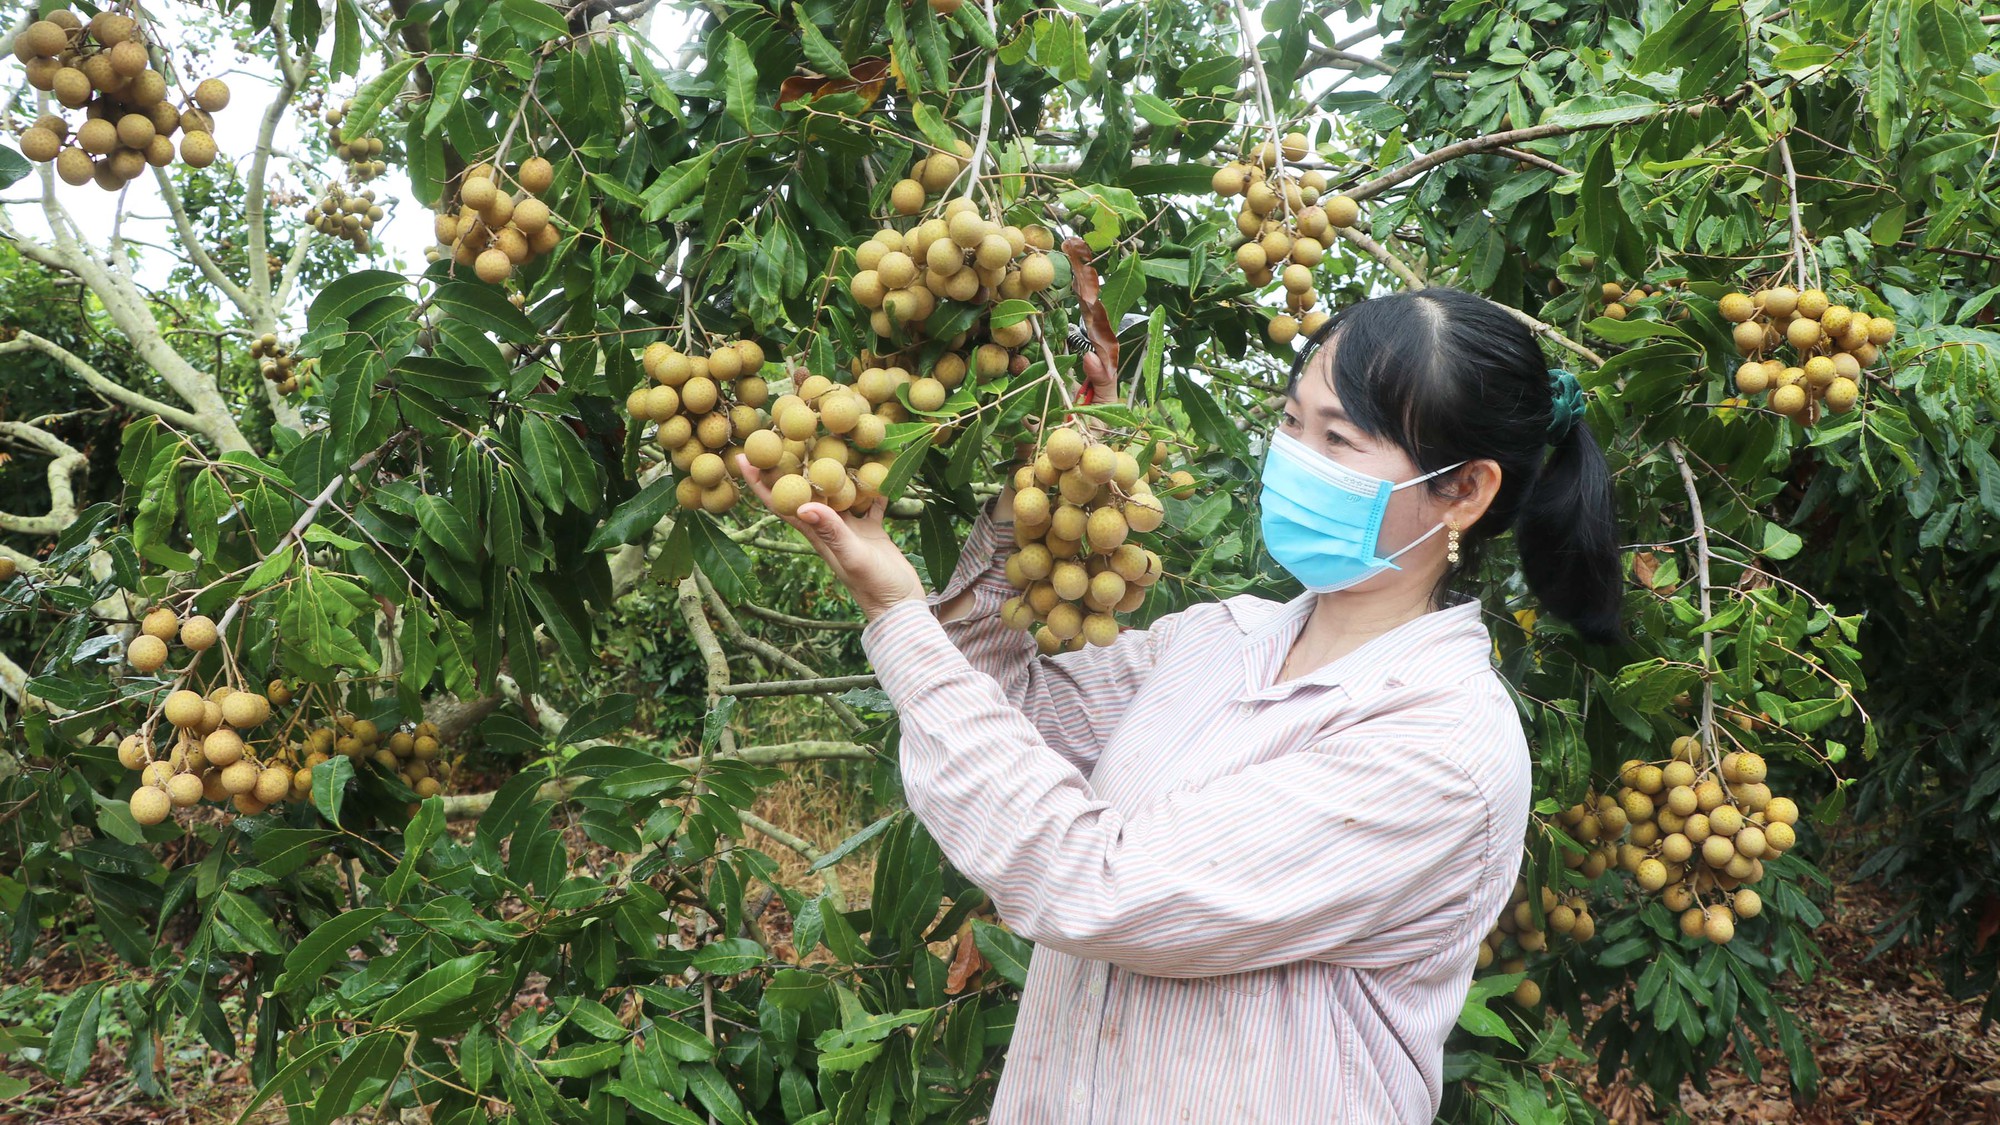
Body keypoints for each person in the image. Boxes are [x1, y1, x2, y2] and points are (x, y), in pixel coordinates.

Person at [739, 286, 1623, 1123]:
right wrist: (1041, 500)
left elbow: (1096, 886)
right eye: (1288, 423)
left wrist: (897, 615)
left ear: (1463, 490)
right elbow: (1005, 703)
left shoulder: (1444, 745)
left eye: (1339, 440)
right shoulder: (1221, 639)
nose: (1294, 458)